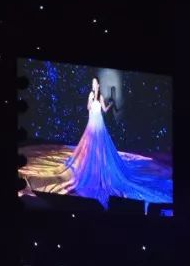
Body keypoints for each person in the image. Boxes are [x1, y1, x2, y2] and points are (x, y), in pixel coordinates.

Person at [62, 77, 171, 208]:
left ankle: (101, 168)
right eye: (92, 83)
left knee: (100, 146)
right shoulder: (91, 94)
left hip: (99, 123)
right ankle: (91, 166)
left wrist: (110, 105)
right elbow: (88, 107)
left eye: (95, 83)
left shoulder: (101, 96)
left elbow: (104, 110)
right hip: (92, 123)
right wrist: (91, 99)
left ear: (98, 84)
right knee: (90, 145)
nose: (93, 85)